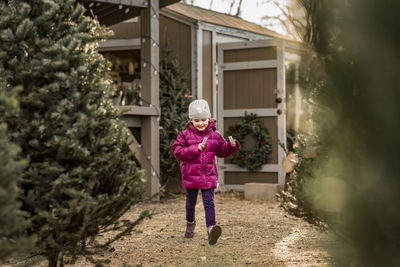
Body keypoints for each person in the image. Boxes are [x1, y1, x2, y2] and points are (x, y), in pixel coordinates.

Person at [171, 99, 240, 245]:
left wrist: (231, 146)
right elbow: (177, 151)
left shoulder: (215, 135)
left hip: (208, 175)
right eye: (197, 120)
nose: (200, 123)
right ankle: (190, 224)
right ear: (191, 120)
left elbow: (221, 151)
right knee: (191, 203)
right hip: (191, 175)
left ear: (209, 119)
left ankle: (211, 230)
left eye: (203, 119)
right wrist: (195, 149)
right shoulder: (185, 135)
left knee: (209, 203)